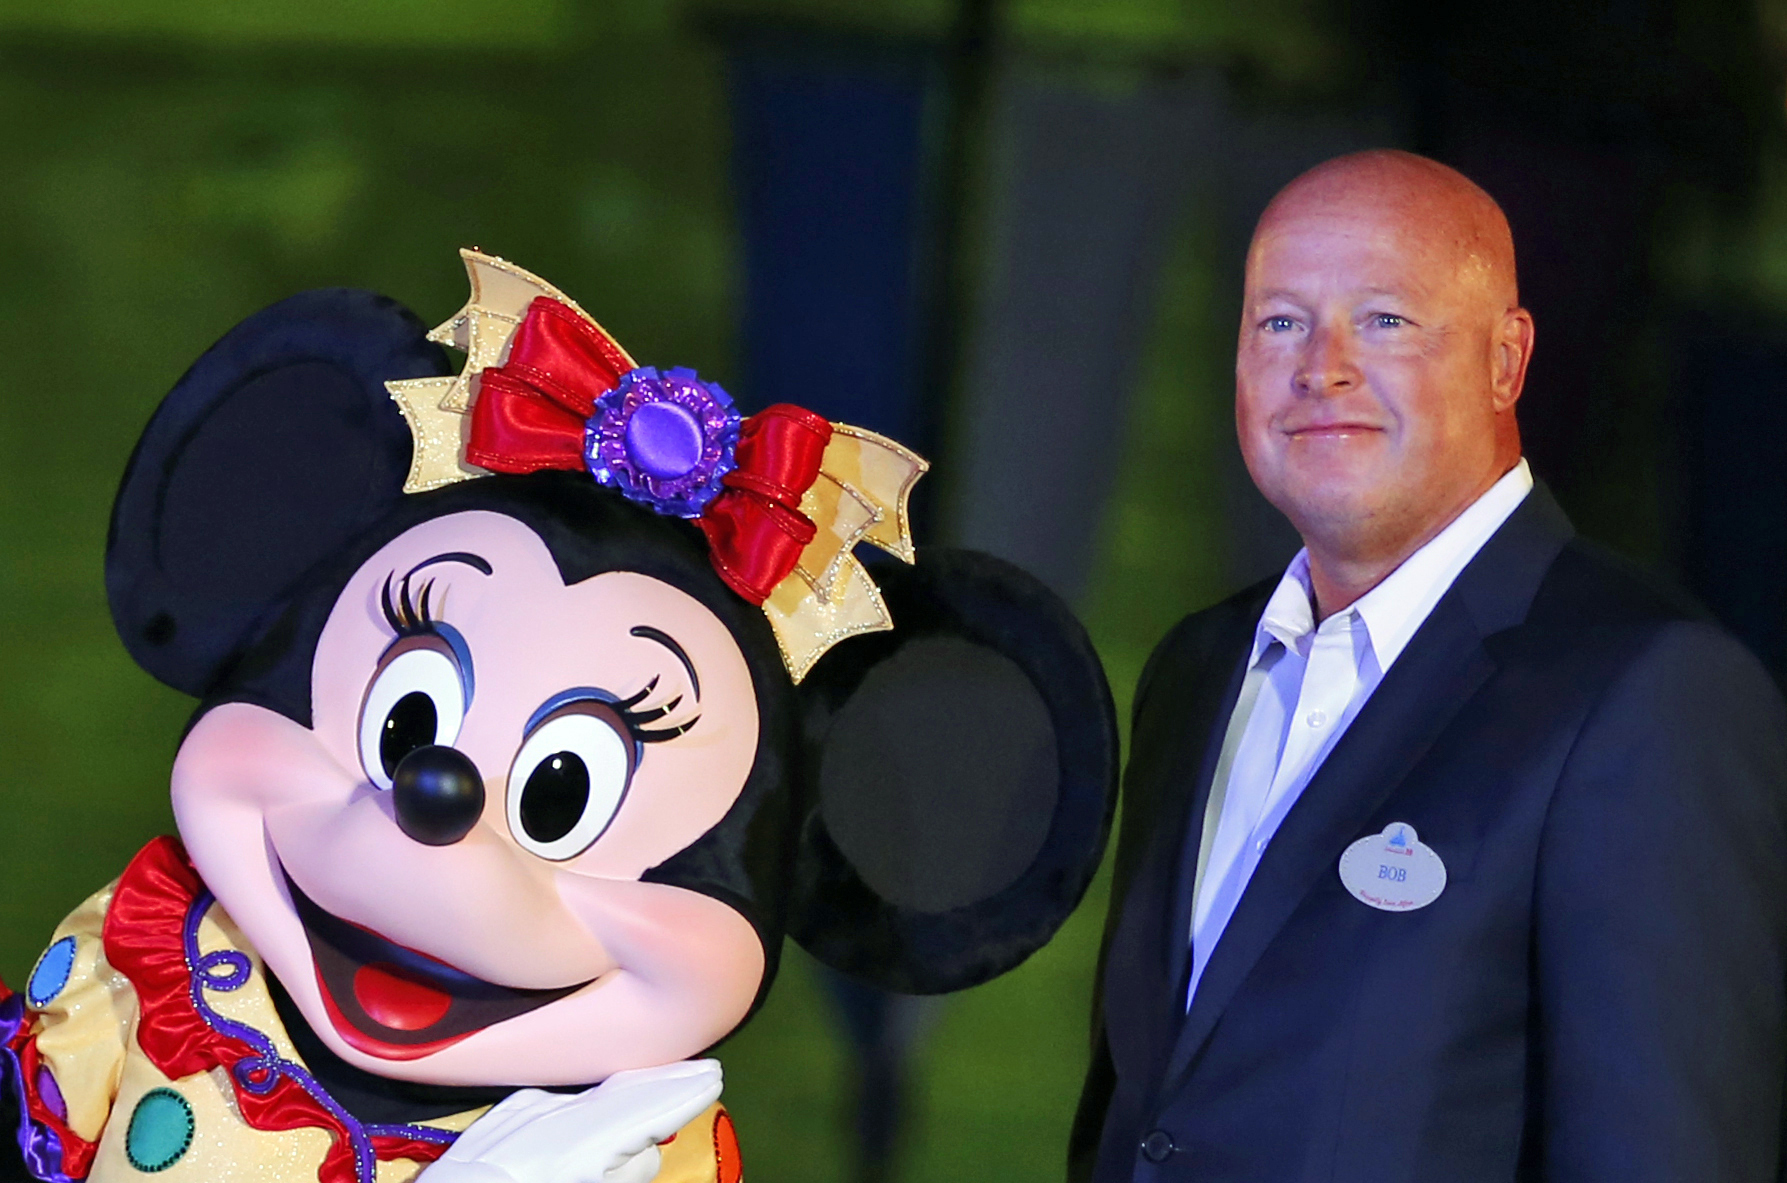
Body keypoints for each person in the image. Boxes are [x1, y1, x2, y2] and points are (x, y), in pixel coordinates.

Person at [1069, 149, 1787, 1182]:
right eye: (1278, 320)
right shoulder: (1195, 668)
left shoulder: (1647, 694)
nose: (1321, 365)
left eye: (1383, 320)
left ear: (1504, 361)